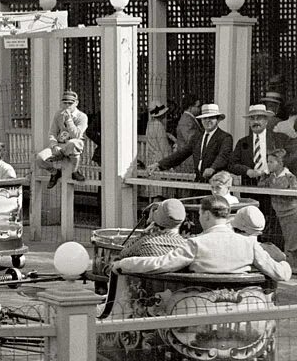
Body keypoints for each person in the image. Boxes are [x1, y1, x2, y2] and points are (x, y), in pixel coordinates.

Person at [117, 198, 292, 283]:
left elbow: (160, 264)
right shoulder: (248, 244)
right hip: (241, 313)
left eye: (200, 213)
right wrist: (286, 265)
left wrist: (124, 264)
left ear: (207, 214)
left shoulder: (196, 243)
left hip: (198, 312)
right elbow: (280, 273)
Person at [145, 102, 233, 182]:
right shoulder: (198, 137)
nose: (207, 121)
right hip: (199, 182)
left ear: (217, 120)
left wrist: (212, 168)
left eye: (211, 118)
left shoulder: (225, 137)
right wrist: (159, 164)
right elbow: (181, 154)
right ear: (201, 120)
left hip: (218, 184)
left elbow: (223, 156)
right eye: (205, 118)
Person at [231, 104, 297, 189]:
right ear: (249, 123)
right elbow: (232, 164)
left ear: (266, 121)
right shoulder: (242, 142)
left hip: (275, 187)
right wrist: (247, 171)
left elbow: (291, 161)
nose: (255, 122)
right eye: (252, 119)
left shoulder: (280, 139)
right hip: (249, 187)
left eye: (259, 118)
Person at [37, 89, 90, 183]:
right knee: (40, 158)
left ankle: (75, 171)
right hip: (59, 145)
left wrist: (69, 119)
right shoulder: (58, 114)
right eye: (65, 103)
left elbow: (76, 135)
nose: (67, 106)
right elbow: (52, 132)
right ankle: (55, 173)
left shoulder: (82, 116)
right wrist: (54, 145)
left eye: (70, 103)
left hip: (73, 146)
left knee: (72, 143)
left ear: (76, 103)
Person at [262, 145, 297, 259]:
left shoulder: (289, 178)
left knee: (292, 243)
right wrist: (263, 174)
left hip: (291, 214)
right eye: (268, 162)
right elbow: (261, 186)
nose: (268, 164)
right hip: (279, 214)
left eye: (271, 162)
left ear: (280, 163)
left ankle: (292, 269)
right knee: (283, 241)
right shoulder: (271, 177)